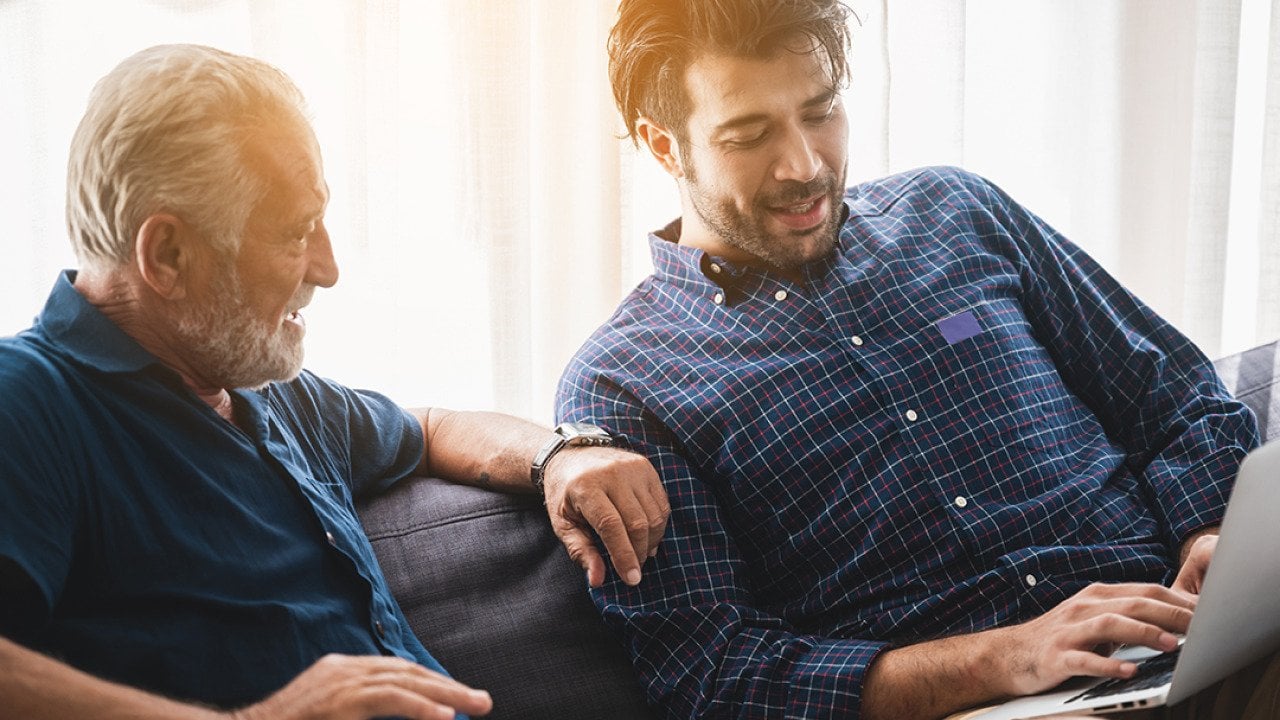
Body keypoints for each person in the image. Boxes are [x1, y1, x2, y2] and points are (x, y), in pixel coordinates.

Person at [554, 1, 1273, 718]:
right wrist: (1007, 658)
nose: (804, 166)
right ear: (663, 145)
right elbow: (715, 678)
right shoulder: (626, 385)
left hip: (1195, 647)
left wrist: (1210, 533)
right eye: (748, 135)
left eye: (821, 111)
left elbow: (1176, 398)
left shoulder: (957, 211)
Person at [0, 44, 669, 719]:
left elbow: (431, 427)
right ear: (168, 254)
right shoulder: (27, 401)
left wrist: (559, 454)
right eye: (296, 233)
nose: (328, 268)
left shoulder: (270, 392)